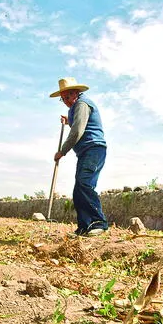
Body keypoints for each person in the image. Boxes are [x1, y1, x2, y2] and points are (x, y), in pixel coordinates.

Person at [50, 77, 108, 236]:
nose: (66, 101)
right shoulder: (77, 106)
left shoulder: (82, 104)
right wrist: (69, 120)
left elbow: (77, 131)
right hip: (85, 151)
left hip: (94, 149)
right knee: (78, 190)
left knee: (85, 184)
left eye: (67, 97)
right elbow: (77, 122)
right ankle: (84, 226)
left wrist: (62, 151)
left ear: (76, 92)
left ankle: (99, 222)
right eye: (63, 99)